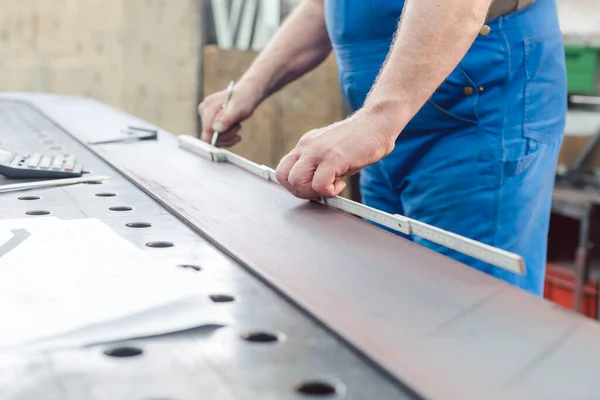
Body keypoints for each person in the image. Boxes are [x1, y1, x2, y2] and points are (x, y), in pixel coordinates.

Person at [198, 0, 567, 297]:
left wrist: (378, 120)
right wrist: (251, 86)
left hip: (476, 116)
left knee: (468, 318)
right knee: (390, 302)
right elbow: (322, 6)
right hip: (385, 131)